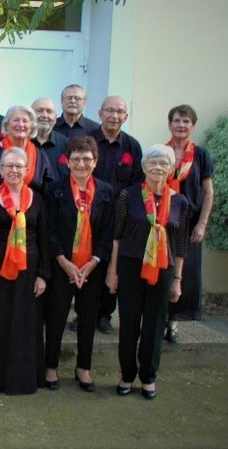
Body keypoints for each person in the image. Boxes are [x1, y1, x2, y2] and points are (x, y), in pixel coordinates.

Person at [106, 144, 189, 400]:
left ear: (171, 169)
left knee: (154, 324)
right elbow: (116, 237)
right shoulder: (128, 196)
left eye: (163, 163)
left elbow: (182, 244)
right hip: (131, 265)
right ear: (143, 167)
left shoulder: (180, 202)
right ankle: (127, 375)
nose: (157, 167)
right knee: (129, 323)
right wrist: (113, 271)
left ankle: (149, 377)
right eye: (152, 163)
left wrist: (178, 280)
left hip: (164, 268)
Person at [0, 147, 50, 395]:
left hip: (28, 270)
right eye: (9, 166)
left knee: (23, 324)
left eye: (19, 166)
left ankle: (20, 380)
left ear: (27, 170)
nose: (14, 171)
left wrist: (43, 275)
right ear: (0, 169)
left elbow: (44, 238)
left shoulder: (36, 199)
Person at [43, 136, 115, 393]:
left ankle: (83, 367)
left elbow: (108, 231)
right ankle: (50, 366)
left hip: (91, 268)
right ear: (67, 161)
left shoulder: (106, 192)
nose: (81, 163)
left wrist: (94, 262)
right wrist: (64, 261)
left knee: (87, 317)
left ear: (95, 162)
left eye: (87, 159)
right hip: (63, 266)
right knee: (57, 316)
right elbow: (49, 229)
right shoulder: (56, 190)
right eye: (76, 158)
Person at [89, 95, 144, 334]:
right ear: (100, 113)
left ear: (126, 116)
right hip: (89, 210)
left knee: (112, 263)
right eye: (109, 110)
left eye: (119, 111)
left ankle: (105, 314)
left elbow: (137, 182)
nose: (114, 115)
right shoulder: (88, 140)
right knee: (90, 260)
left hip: (119, 214)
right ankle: (85, 313)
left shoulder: (132, 146)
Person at [164, 105, 214, 343]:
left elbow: (208, 192)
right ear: (169, 124)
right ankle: (158, 317)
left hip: (190, 222)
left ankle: (173, 324)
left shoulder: (201, 155)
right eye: (176, 121)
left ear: (193, 126)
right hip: (163, 221)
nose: (180, 125)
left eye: (186, 121)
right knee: (162, 269)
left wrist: (202, 224)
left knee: (185, 275)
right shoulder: (161, 152)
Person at [0, 105, 53, 198]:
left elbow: (49, 192)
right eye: (16, 120)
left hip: (34, 210)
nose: (21, 124)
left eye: (25, 121)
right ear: (6, 125)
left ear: (31, 126)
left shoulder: (40, 156)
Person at [31, 97, 70, 181]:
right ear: (30, 116)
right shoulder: (22, 141)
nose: (44, 115)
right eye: (40, 110)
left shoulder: (66, 144)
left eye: (49, 111)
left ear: (55, 118)